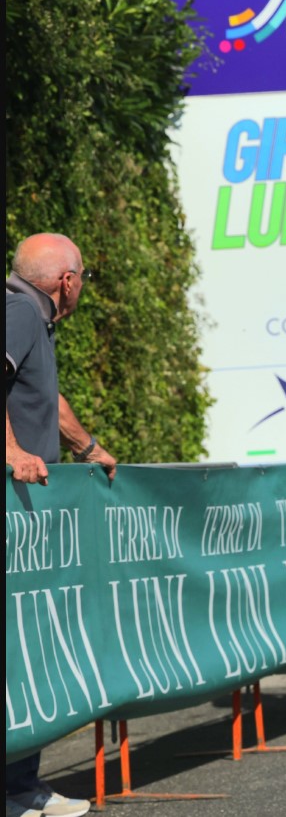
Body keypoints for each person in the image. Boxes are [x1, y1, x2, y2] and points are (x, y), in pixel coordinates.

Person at [6, 233, 118, 817]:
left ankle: (23, 786)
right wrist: (11, 451)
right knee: (18, 649)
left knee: (30, 649)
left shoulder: (31, 318)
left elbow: (44, 398)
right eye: (83, 279)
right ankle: (18, 792)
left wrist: (89, 446)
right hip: (14, 511)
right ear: (67, 281)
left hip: (30, 513)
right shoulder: (21, 310)